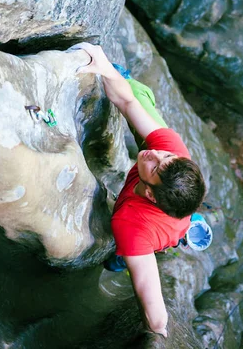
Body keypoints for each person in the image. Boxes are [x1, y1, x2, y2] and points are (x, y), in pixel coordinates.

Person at [75, 43, 206, 338]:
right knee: (140, 94)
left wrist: (159, 337)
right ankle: (186, 223)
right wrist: (105, 67)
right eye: (166, 158)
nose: (153, 155)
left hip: (153, 233)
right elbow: (129, 104)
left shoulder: (133, 227)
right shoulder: (173, 151)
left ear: (150, 194)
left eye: (158, 167)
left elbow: (155, 313)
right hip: (172, 215)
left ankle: (127, 255)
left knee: (117, 258)